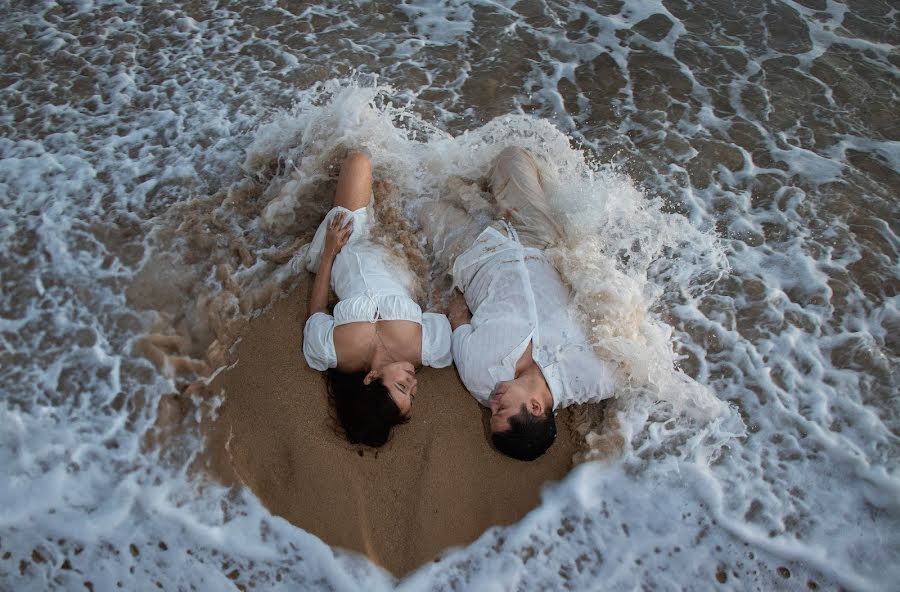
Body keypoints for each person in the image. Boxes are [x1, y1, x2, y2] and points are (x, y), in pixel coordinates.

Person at [421, 147, 616, 461]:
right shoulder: (596, 376)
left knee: (423, 204)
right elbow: (633, 339)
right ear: (536, 407)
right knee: (512, 156)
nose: (491, 403)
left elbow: (457, 315)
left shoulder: (478, 377)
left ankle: (474, 202)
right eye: (502, 409)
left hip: (475, 254)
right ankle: (487, 193)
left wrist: (453, 269)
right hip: (537, 241)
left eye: (492, 412)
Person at [303, 152, 453, 447]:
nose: (414, 384)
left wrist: (328, 253)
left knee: (358, 160)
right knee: (412, 184)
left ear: (370, 379)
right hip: (395, 246)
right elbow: (436, 297)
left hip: (346, 242)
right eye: (412, 393)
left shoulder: (332, 353)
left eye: (402, 387)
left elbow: (317, 310)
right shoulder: (428, 348)